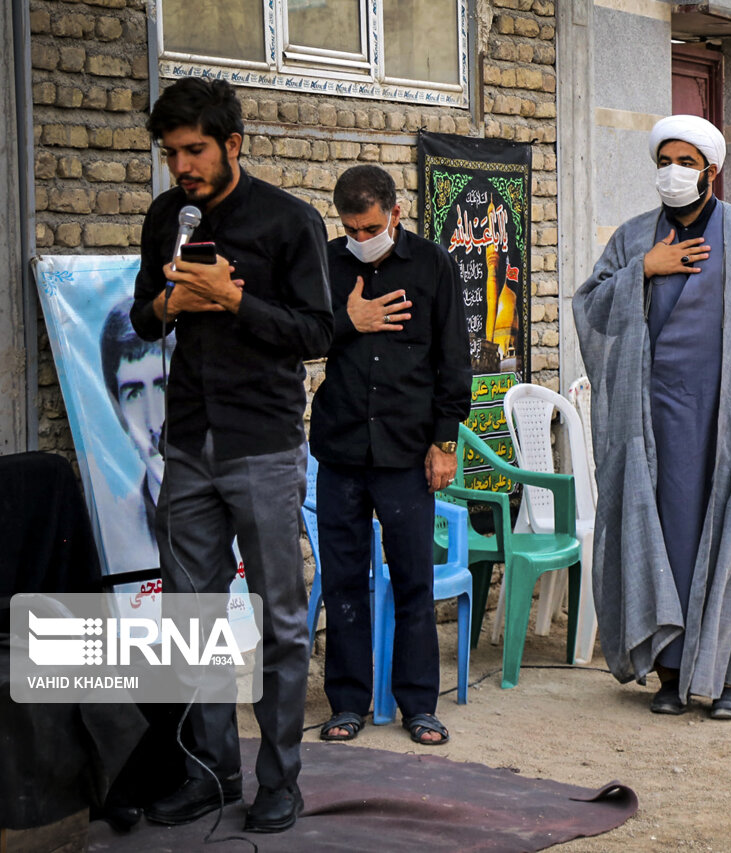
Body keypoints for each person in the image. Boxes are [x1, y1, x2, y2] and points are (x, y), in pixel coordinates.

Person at [130, 78, 332, 832]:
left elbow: (318, 333)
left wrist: (236, 299)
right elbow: (141, 319)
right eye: (170, 153)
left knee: (278, 620)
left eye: (194, 150)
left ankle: (279, 781)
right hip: (187, 442)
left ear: (233, 144)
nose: (180, 166)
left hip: (264, 445)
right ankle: (210, 773)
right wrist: (168, 305)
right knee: (192, 618)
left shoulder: (289, 221)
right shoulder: (165, 219)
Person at [573, 115, 731, 721]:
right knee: (671, 544)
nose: (672, 172)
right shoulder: (632, 239)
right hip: (653, 426)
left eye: (685, 161)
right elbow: (591, 311)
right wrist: (644, 271)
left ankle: (730, 681)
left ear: (711, 171)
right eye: (664, 161)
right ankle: (674, 673)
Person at [309, 165, 471, 747]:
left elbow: (454, 360)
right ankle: (347, 703)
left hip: (407, 452)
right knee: (344, 582)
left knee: (412, 583)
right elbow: (296, 340)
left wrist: (445, 443)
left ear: (395, 214)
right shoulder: (326, 263)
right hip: (342, 450)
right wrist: (347, 323)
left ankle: (418, 705)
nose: (361, 236)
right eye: (351, 228)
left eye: (371, 225)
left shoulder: (431, 265)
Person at [98, 299, 174, 563]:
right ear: (118, 411)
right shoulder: (116, 529)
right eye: (134, 393)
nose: (154, 423)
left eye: (164, 385)